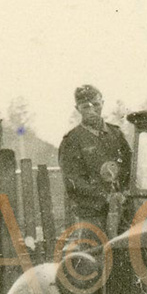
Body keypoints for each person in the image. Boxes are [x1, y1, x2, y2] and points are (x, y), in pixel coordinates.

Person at [57, 85, 133, 235]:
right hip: (92, 213)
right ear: (77, 108)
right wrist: (105, 197)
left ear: (102, 103)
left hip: (123, 209)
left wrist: (124, 193)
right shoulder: (72, 140)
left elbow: (130, 167)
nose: (92, 110)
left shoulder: (116, 134)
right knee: (95, 247)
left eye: (96, 105)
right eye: (86, 106)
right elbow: (74, 181)